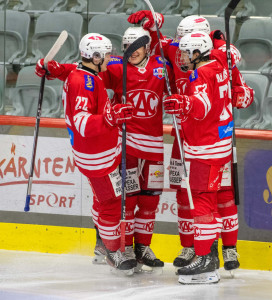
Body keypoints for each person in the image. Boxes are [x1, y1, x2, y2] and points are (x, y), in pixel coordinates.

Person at [35, 27, 176, 272]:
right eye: (125, 46)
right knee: (124, 200)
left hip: (152, 147)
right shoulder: (115, 68)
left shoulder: (159, 65)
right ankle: (121, 247)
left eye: (135, 46)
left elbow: (181, 61)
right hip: (126, 145)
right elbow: (81, 71)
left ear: (146, 47)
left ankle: (142, 246)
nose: (127, 52)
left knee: (150, 200)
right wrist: (58, 69)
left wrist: (155, 30)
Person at [128, 12, 254, 272]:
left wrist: (238, 93)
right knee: (185, 193)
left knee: (222, 194)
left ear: (202, 41)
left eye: (185, 41)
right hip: (185, 135)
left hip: (213, 137)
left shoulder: (220, 57)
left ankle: (227, 247)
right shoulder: (187, 51)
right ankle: (192, 247)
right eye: (179, 39)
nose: (179, 48)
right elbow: (157, 45)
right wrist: (152, 25)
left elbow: (243, 94)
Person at [35, 33, 136, 275]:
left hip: (98, 152)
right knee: (111, 202)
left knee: (102, 199)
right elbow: (81, 122)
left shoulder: (83, 73)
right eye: (107, 54)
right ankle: (113, 251)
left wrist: (56, 69)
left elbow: (73, 71)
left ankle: (103, 243)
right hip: (96, 155)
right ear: (96, 56)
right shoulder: (84, 82)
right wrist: (110, 118)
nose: (110, 58)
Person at [163, 31, 233, 284]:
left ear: (197, 53)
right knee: (209, 203)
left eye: (185, 52)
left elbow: (201, 107)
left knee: (202, 203)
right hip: (219, 144)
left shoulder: (201, 73)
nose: (181, 57)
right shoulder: (218, 63)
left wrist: (184, 103)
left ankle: (205, 260)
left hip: (205, 146)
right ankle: (208, 255)